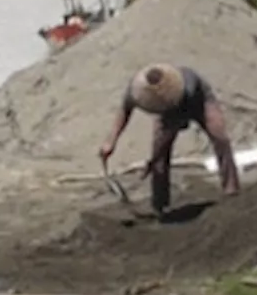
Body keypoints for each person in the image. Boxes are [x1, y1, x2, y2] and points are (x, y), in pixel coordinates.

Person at [99, 64, 239, 214]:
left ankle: (231, 190)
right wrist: (111, 141)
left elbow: (175, 126)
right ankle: (160, 204)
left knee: (220, 138)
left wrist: (152, 160)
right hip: (167, 112)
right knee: (159, 162)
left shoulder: (187, 87)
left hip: (200, 101)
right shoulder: (135, 89)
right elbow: (124, 111)